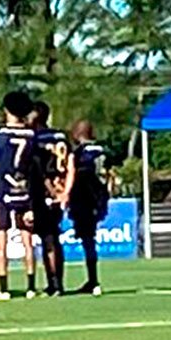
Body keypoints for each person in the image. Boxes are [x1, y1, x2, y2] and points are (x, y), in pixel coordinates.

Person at [0, 91, 39, 300]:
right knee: (27, 241)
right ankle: (31, 286)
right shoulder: (32, 134)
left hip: (2, 191)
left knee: (1, 243)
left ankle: (3, 288)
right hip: (24, 190)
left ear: (6, 109)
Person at [22, 100, 75, 297]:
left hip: (46, 192)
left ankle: (54, 283)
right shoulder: (62, 136)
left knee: (48, 239)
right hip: (60, 188)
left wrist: (50, 190)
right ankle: (56, 281)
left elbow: (39, 170)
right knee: (53, 237)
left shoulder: (35, 139)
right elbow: (71, 165)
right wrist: (66, 192)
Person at [67, 119, 111, 296]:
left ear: (78, 134)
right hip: (99, 199)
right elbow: (108, 176)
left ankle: (93, 280)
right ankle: (92, 279)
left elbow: (80, 177)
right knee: (89, 239)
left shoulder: (80, 154)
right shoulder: (103, 151)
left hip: (84, 200)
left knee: (88, 240)